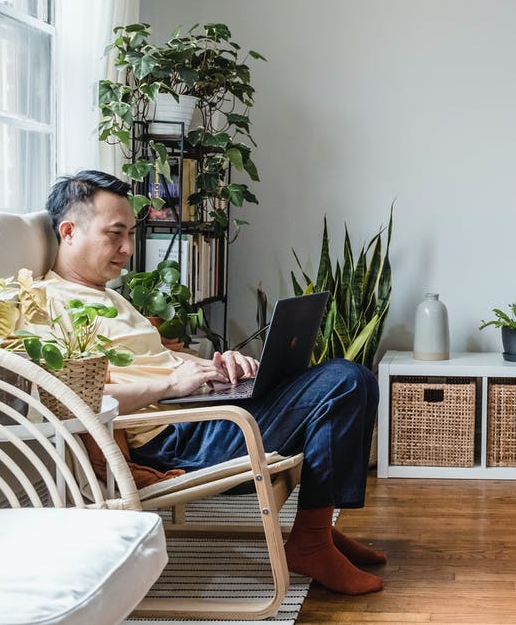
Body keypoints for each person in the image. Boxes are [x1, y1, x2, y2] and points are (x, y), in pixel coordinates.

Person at [37, 170, 385, 595]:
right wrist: (169, 386)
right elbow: (72, 400)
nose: (128, 248)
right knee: (346, 381)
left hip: (195, 415)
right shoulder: (48, 306)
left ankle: (319, 529)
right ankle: (311, 541)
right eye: (115, 234)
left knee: (350, 378)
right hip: (173, 441)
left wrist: (216, 366)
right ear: (68, 232)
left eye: (131, 232)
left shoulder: (107, 295)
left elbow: (152, 362)